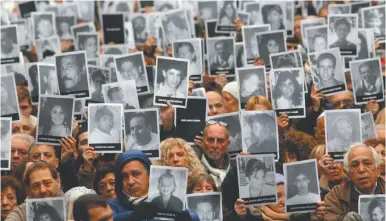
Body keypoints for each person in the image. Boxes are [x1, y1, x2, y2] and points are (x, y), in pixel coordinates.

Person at [324, 143, 385, 221]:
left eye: (367, 163)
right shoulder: (335, 195)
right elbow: (329, 217)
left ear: (378, 170)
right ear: (348, 174)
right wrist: (342, 219)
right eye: (355, 165)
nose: (361, 169)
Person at [5, 163, 74, 221]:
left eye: (47, 183)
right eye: (36, 186)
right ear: (28, 190)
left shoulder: (75, 206)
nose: (42, 190)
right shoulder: (21, 212)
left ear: (58, 182)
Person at [198, 121, 231, 188]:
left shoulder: (236, 169)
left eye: (220, 140)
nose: (215, 145)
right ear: (202, 142)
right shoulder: (193, 170)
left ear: (228, 144)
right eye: (210, 140)